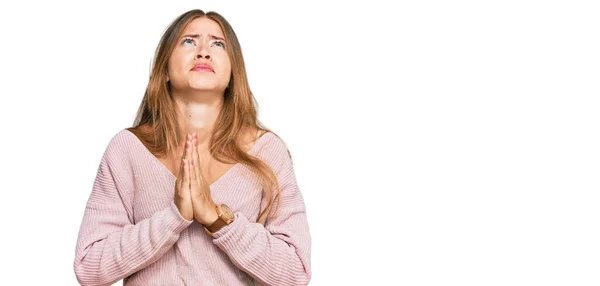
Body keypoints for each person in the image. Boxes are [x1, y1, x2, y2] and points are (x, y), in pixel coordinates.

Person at [73, 9, 311, 286]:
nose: (203, 52)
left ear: (234, 72)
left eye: (217, 44)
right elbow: (89, 267)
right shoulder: (127, 149)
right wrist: (174, 217)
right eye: (189, 41)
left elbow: (295, 272)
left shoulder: (266, 151)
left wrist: (216, 217)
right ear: (163, 70)